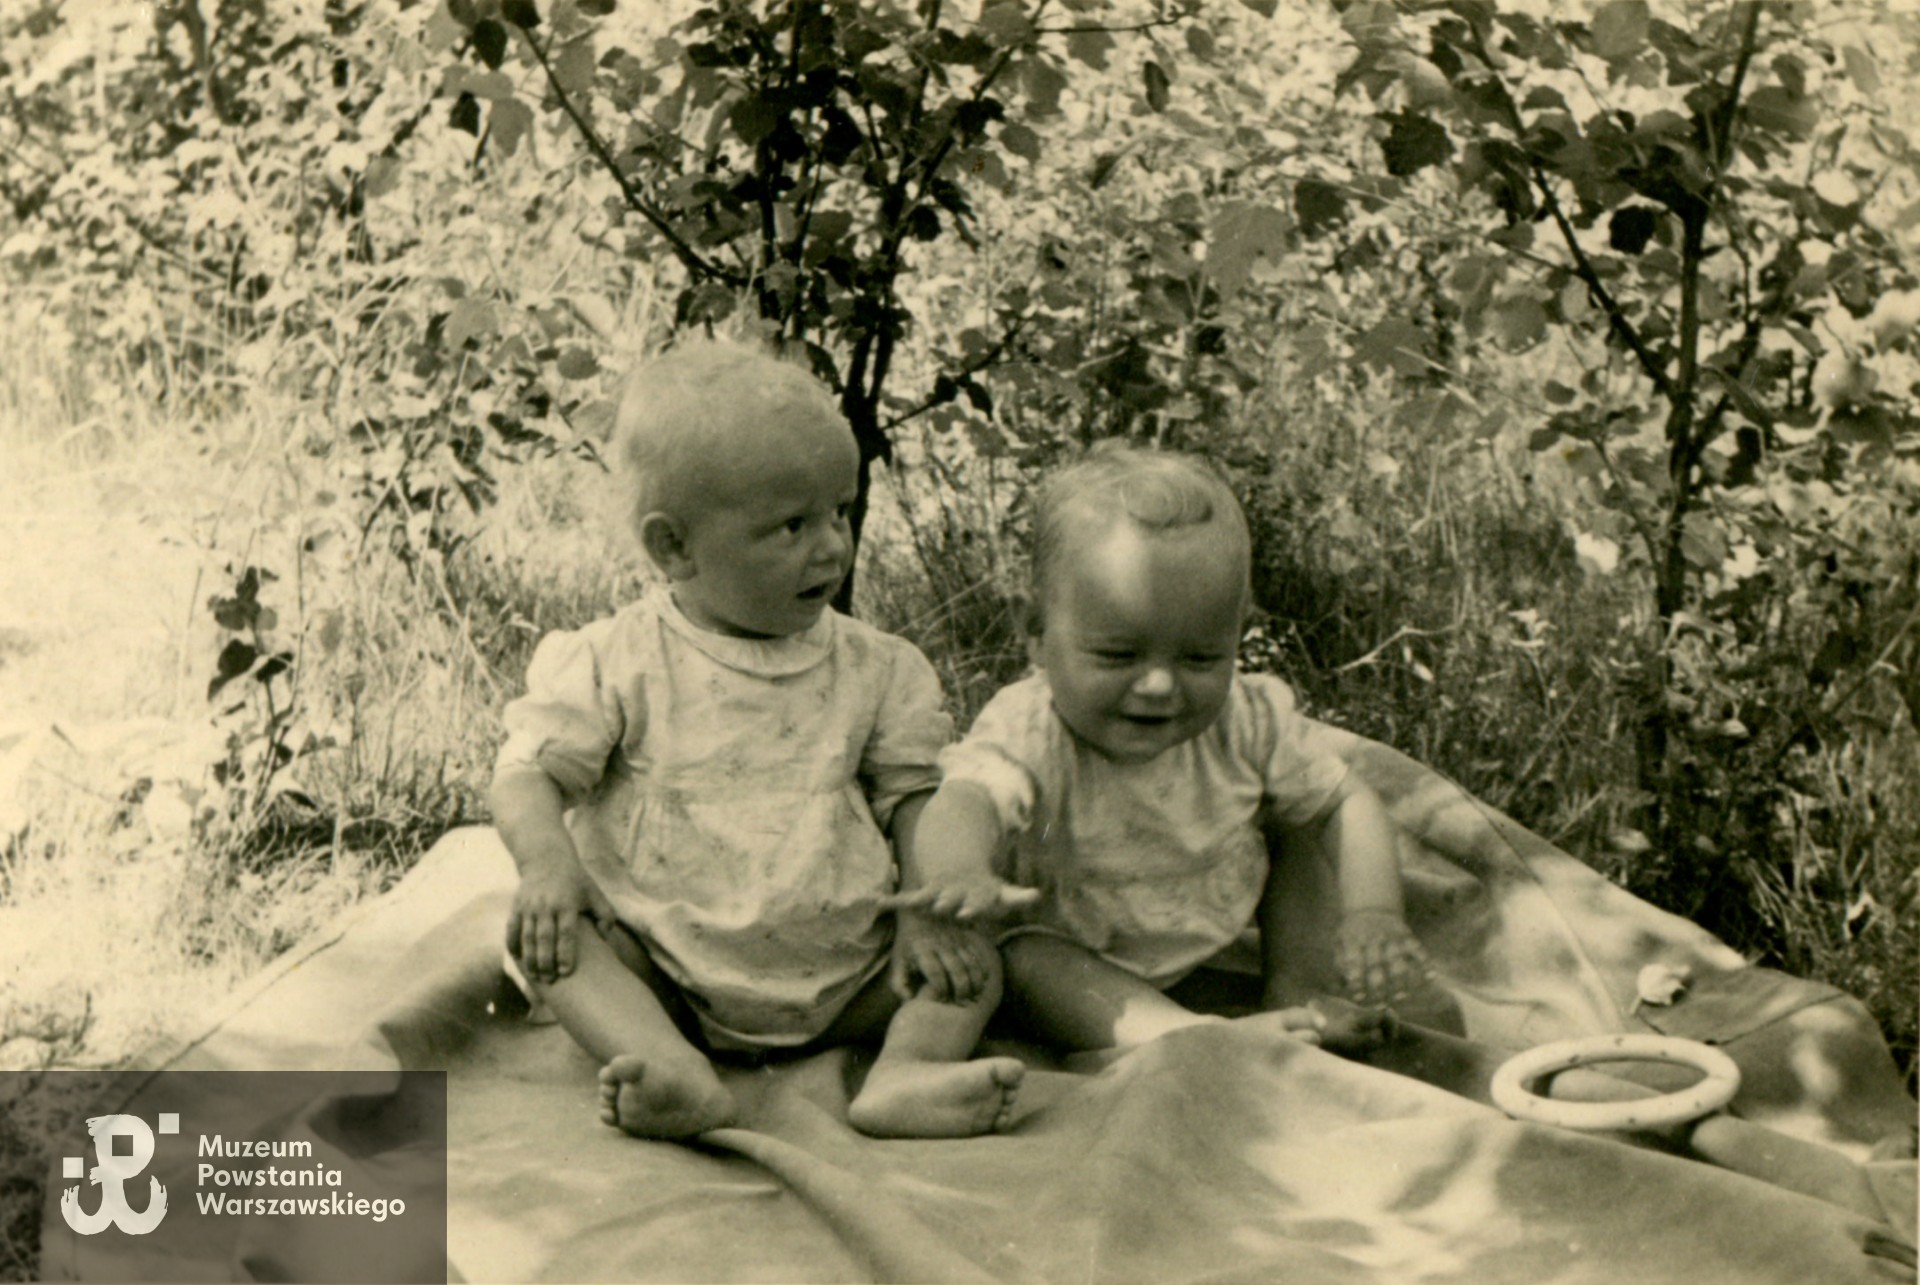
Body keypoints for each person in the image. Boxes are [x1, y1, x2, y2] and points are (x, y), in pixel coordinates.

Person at [488, 339, 1025, 1140]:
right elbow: (529, 771)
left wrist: (924, 911)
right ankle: (668, 1063)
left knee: (974, 959)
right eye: (791, 525)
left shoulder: (878, 668)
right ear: (674, 546)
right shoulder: (618, 660)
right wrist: (547, 865)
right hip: (667, 969)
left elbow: (915, 799)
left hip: (850, 973)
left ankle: (909, 1070)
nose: (832, 546)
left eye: (839, 512)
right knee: (554, 946)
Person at [901, 445, 1436, 1053]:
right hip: (1079, 952)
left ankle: (1296, 993)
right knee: (1025, 958)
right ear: (1035, 632)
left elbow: (1349, 802)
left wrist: (1372, 913)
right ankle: (1191, 1037)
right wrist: (960, 870)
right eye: (1118, 655)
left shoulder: (1249, 717)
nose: (1159, 686)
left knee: (1300, 829)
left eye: (1200, 658)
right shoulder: (1030, 728)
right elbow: (966, 799)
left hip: (1210, 920)